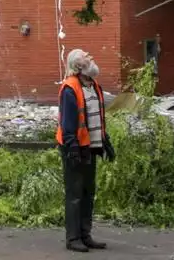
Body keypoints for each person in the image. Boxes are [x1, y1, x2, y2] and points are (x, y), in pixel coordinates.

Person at [57, 48, 115, 252]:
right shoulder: (69, 89)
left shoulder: (94, 86)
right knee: (75, 194)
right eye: (85, 56)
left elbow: (96, 118)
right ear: (78, 66)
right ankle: (73, 239)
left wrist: (105, 141)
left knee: (88, 193)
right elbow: (68, 124)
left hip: (90, 148)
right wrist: (72, 149)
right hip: (75, 148)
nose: (90, 57)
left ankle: (85, 235)